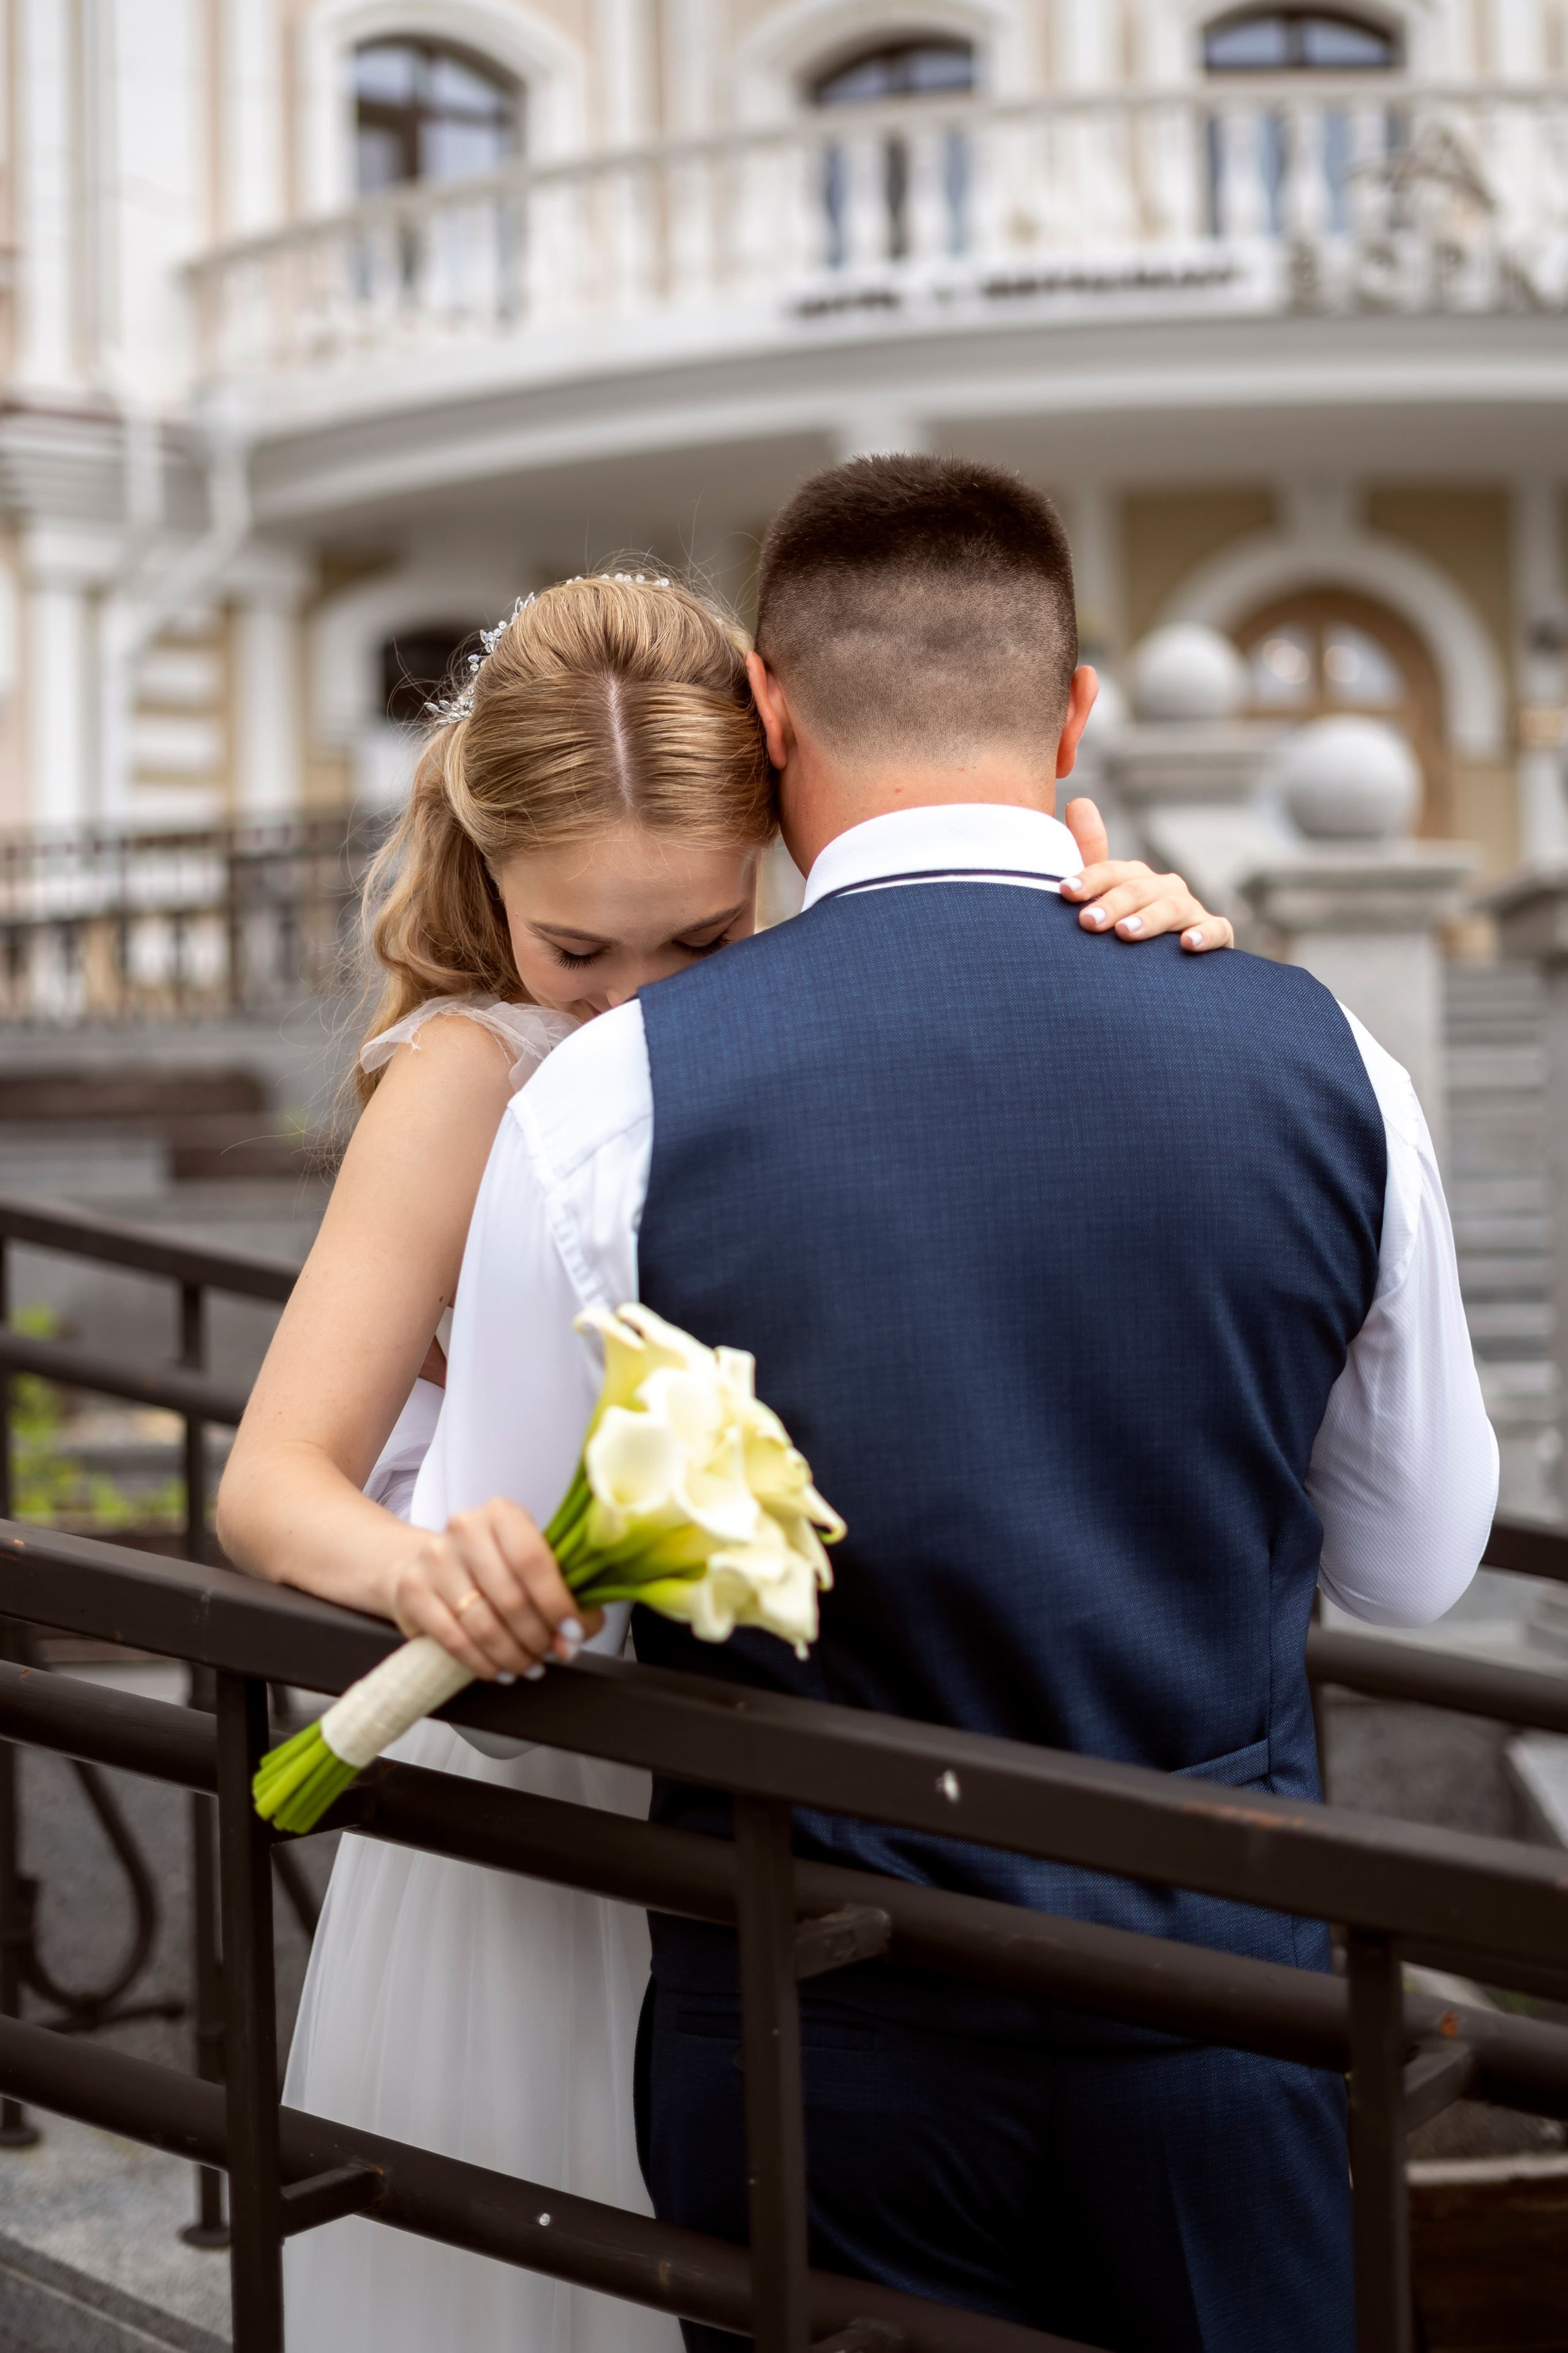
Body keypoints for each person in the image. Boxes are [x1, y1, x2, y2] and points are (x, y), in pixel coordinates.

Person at [422, 461, 1498, 2353]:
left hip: (811, 2012)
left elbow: (519, 1652)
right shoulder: (1321, 1050)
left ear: (765, 711)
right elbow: (1415, 1568)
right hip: (1217, 1996)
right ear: (1076, 710)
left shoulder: (605, 1097)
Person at [214, 566, 1228, 2353]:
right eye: (574, 950)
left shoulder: (829, 1034)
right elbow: (276, 1474)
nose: (627, 1011)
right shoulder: (471, 1071)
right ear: (489, 866)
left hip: (799, 1779)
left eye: (698, 942)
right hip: (545, 1802)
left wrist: (1121, 922)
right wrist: (420, 1569)